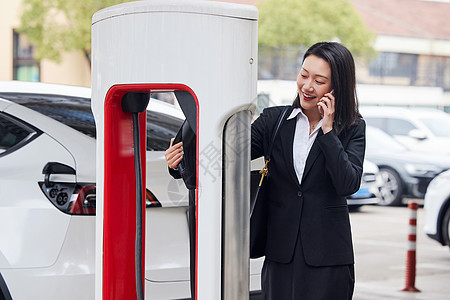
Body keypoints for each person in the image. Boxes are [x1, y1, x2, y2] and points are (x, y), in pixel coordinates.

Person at [165, 41, 365, 299]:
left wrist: (327, 131)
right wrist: (179, 163)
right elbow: (226, 155)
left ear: (337, 86)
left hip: (329, 259)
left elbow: (347, 183)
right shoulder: (275, 121)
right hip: (281, 254)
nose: (307, 86)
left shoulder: (352, 128)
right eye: (303, 75)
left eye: (319, 80)